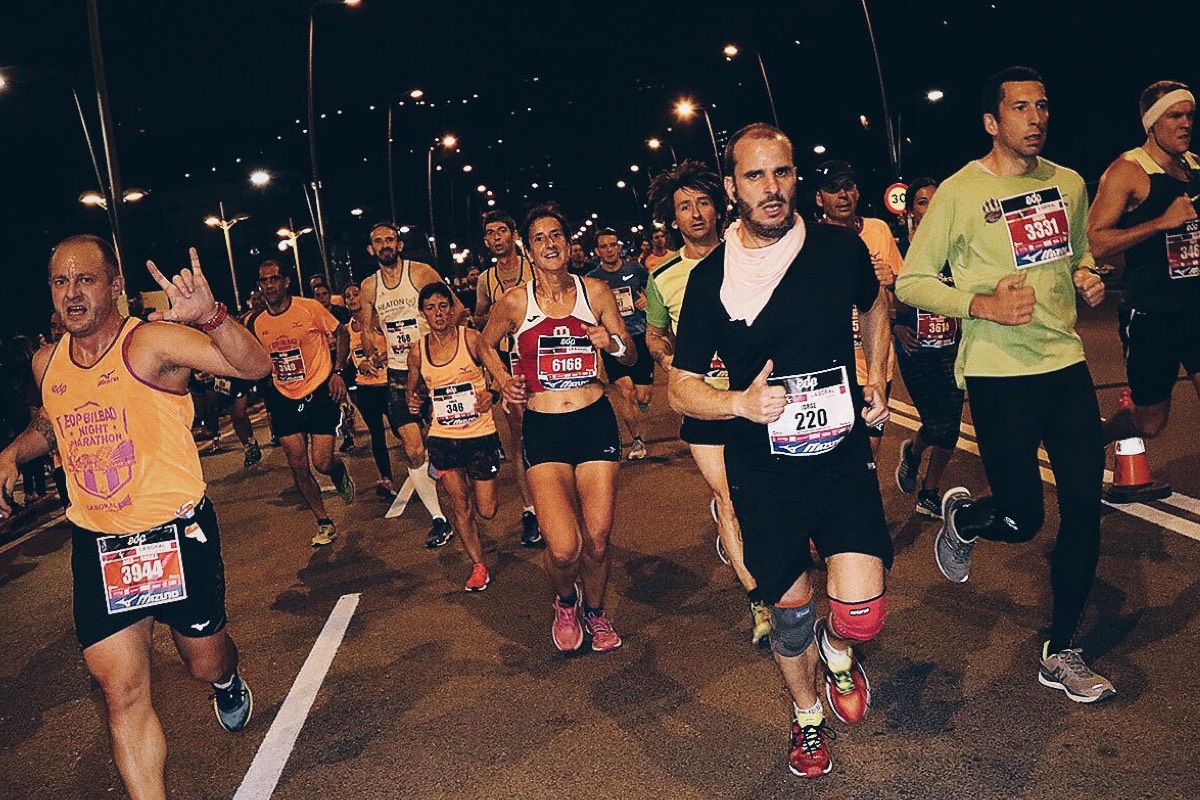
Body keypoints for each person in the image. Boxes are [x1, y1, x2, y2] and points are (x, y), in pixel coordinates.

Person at [0, 237, 271, 800]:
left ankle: (224, 679)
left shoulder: (151, 343)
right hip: (100, 545)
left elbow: (255, 366)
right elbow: (53, 425)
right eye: (60, 282)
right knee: (120, 692)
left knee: (203, 662)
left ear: (115, 285)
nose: (72, 293)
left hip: (177, 535)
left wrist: (213, 318)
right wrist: (9, 453)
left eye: (86, 279)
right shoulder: (46, 361)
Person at [669, 124, 893, 779]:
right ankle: (807, 719)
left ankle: (838, 646)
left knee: (862, 615)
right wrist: (736, 404)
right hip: (763, 472)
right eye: (755, 177)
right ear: (733, 187)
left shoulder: (836, 250)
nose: (772, 189)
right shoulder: (710, 280)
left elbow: (877, 306)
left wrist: (877, 376)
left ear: (797, 177)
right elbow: (681, 388)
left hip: (842, 457)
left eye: (783, 173)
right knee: (789, 619)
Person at [896, 66, 1112, 703]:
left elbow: (1077, 255)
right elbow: (913, 282)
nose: (1036, 118)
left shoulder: (1067, 184)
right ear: (993, 122)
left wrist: (1090, 275)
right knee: (1021, 520)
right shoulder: (960, 193)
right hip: (998, 375)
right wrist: (980, 304)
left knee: (1084, 512)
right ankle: (965, 518)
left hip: (1065, 364)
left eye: (1042, 106)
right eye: (1021, 108)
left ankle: (1062, 650)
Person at [480, 204, 636, 653]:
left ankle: (597, 613)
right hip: (545, 426)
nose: (549, 244)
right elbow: (485, 344)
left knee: (599, 539)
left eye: (556, 237)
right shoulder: (515, 302)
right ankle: (566, 600)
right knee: (565, 548)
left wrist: (613, 343)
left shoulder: (597, 292)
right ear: (529, 251)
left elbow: (628, 356)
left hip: (593, 420)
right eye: (540, 239)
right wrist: (502, 379)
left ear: (568, 246)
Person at [644, 159, 771, 646]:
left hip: (763, 402)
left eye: (702, 203)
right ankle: (759, 598)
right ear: (672, 219)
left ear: (720, 207)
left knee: (772, 498)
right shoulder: (664, 277)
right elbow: (655, 334)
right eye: (683, 207)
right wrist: (666, 356)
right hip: (705, 405)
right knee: (731, 500)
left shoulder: (755, 256)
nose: (695, 214)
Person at [1087, 80, 1200, 444]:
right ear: (1152, 121)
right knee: (1150, 423)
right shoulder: (1127, 171)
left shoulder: (1195, 167)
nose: (1186, 124)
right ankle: (1100, 434)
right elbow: (1096, 241)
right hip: (1152, 314)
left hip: (1195, 308)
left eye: (1190, 115)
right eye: (1175, 116)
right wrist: (1162, 223)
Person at [358, 222, 456, 547]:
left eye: (390, 239)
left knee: (446, 445)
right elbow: (366, 327)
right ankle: (439, 520)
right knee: (413, 447)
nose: (385, 245)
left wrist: (444, 345)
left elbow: (453, 306)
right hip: (399, 375)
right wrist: (372, 353)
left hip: (434, 368)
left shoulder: (421, 272)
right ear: (371, 249)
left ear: (399, 245)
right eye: (378, 241)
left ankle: (460, 498)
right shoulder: (369, 287)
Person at [251, 260, 356, 547]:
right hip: (284, 397)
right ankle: (323, 521)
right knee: (298, 465)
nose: (269, 285)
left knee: (321, 462)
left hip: (319, 390)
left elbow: (342, 332)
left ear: (285, 282)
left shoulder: (308, 308)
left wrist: (337, 371)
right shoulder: (259, 323)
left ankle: (337, 471)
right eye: (264, 281)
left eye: (274, 279)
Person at [408, 282, 501, 591]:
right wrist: (415, 402)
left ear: (453, 309)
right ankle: (478, 565)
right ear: (423, 314)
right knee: (460, 506)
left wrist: (492, 394)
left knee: (486, 510)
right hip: (443, 438)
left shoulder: (472, 339)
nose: (438, 313)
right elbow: (412, 391)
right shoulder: (418, 350)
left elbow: (501, 376)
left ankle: (478, 497)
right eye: (431, 308)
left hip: (479, 435)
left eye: (443, 306)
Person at [814, 159, 902, 460]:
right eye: (833, 189)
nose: (842, 195)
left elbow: (901, 292)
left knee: (870, 450)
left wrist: (894, 280)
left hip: (876, 362)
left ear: (857, 192)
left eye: (848, 186)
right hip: (832, 364)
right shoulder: (810, 240)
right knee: (836, 450)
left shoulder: (878, 230)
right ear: (819, 198)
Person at [891, 178, 965, 518]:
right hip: (916, 348)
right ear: (910, 210)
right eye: (922, 202)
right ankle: (914, 451)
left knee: (950, 427)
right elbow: (881, 294)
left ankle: (930, 491)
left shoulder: (955, 247)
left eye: (935, 201)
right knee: (935, 424)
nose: (930, 207)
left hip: (951, 346)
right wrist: (896, 325)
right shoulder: (900, 249)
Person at [473, 210, 542, 546]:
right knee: (520, 438)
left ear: (514, 234)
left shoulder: (534, 267)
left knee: (550, 428)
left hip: (543, 356)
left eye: (502, 230)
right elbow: (480, 318)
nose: (497, 237)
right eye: (490, 232)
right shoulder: (485, 279)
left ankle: (557, 499)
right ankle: (530, 510)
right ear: (486, 241)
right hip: (508, 359)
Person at [588, 229, 654, 459]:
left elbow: (652, 291)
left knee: (642, 395)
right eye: (603, 246)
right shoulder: (593, 279)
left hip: (638, 335)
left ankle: (642, 402)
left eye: (612, 245)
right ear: (597, 251)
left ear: (618, 247)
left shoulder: (634, 269)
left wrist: (647, 299)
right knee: (625, 391)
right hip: (613, 341)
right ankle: (637, 441)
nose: (609, 250)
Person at [344, 282, 401, 497]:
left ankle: (426, 459)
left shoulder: (378, 322)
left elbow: (397, 344)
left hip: (388, 384)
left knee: (399, 429)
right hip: (365, 388)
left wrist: (380, 358)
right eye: (347, 296)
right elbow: (352, 357)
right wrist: (361, 364)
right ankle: (386, 479)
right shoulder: (347, 329)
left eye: (355, 294)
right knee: (377, 434)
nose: (351, 299)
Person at [313, 282, 357, 454]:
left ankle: (354, 416)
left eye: (324, 294)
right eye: (318, 295)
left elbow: (349, 334)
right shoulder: (313, 314)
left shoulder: (340, 313)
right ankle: (348, 435)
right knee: (338, 400)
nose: (322, 298)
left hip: (345, 359)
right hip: (326, 363)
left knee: (353, 397)